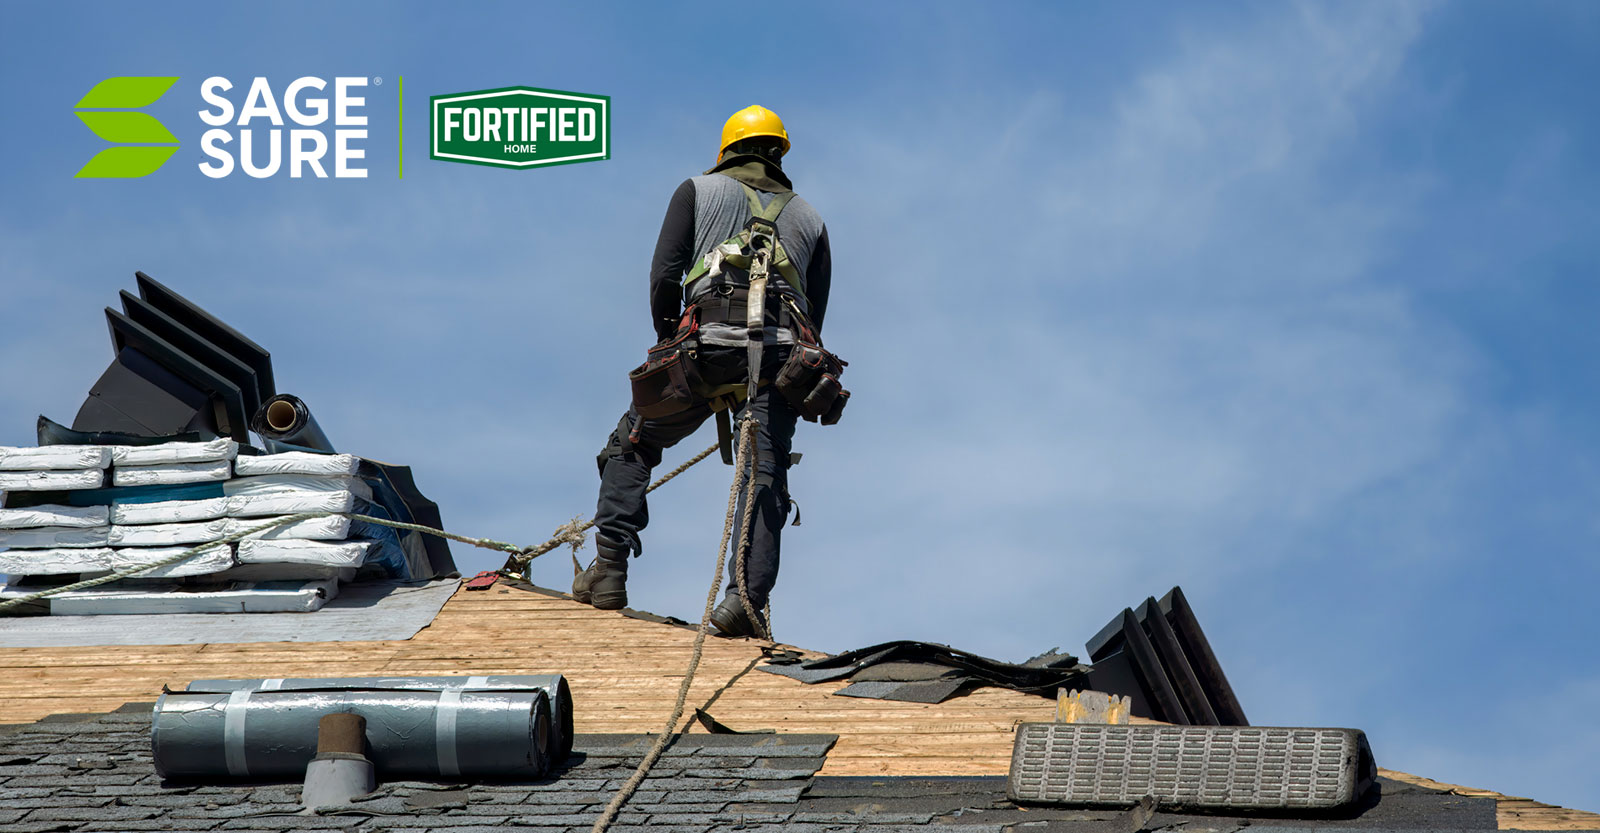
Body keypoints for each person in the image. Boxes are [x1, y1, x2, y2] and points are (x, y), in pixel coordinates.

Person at [573, 105, 833, 638]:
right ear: (779, 153)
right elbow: (815, 317)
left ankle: (610, 570)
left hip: (703, 349)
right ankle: (743, 601)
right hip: (781, 361)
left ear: (726, 151)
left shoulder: (696, 190)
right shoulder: (811, 218)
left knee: (632, 442)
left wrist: (668, 340)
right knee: (764, 472)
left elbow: (664, 276)